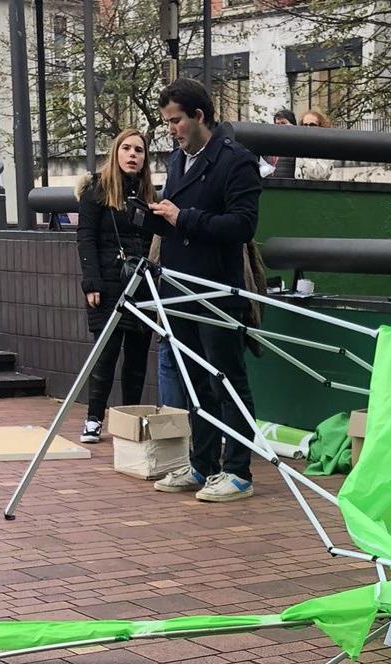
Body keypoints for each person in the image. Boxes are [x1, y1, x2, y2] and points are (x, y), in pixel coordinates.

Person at [148, 78, 261, 502]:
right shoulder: (179, 161)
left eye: (176, 120)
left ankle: (238, 471)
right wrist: (154, 216)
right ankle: (202, 464)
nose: (172, 129)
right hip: (178, 285)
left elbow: (243, 225)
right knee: (195, 380)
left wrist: (184, 219)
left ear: (199, 115)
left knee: (228, 380)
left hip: (216, 289)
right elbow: (177, 216)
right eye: (167, 122)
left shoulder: (236, 161)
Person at [75, 128, 155, 443]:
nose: (133, 155)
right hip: (107, 284)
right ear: (116, 152)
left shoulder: (149, 195)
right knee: (105, 354)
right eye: (127, 148)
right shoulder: (96, 190)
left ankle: (130, 420)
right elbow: (85, 237)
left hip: (141, 284)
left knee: (136, 358)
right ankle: (94, 417)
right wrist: (91, 283)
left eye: (139, 150)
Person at [296, 109, 333, 180]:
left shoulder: (326, 146)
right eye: (305, 125)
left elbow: (319, 174)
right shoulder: (300, 144)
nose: (308, 128)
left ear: (321, 126)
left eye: (312, 125)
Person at [265, 109, 296, 179]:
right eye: (277, 124)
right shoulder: (269, 145)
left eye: (283, 123)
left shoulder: (296, 144)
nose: (280, 127)